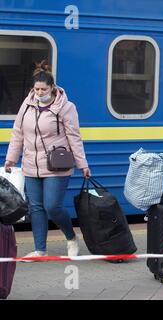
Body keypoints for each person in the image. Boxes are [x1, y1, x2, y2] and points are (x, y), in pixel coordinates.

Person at [4, 60, 91, 260]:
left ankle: (70, 237)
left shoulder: (66, 107)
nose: (39, 92)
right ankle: (40, 249)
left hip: (56, 165)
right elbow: (17, 133)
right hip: (30, 165)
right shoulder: (26, 105)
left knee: (52, 206)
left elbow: (74, 138)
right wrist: (11, 159)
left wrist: (83, 164)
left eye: (43, 89)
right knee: (35, 207)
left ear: (52, 87)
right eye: (36, 89)